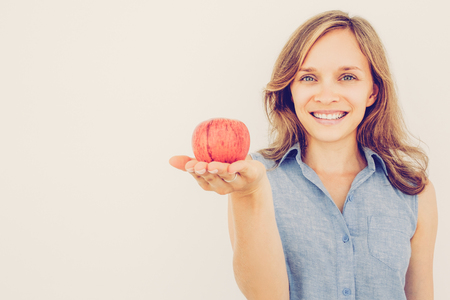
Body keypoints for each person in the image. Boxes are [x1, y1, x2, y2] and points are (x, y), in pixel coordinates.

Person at [169, 10, 438, 300]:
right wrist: (250, 194)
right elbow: (265, 296)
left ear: (372, 92)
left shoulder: (412, 191)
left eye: (347, 77)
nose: (326, 95)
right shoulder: (253, 176)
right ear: (290, 90)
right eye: (308, 77)